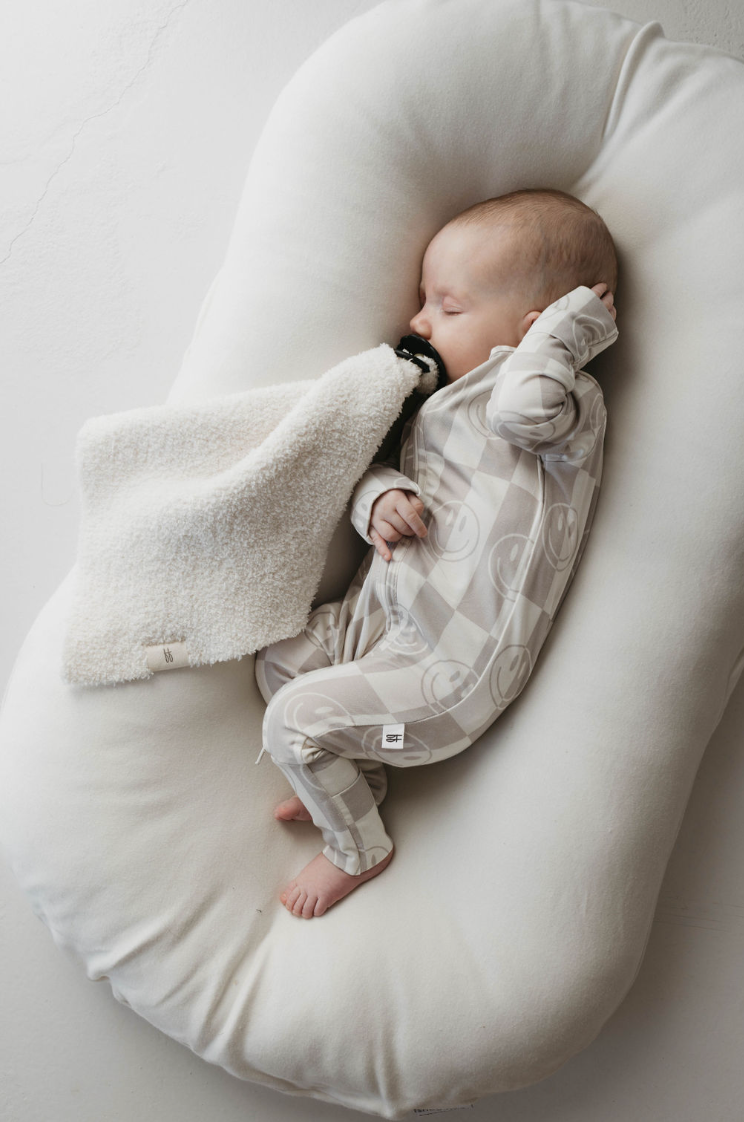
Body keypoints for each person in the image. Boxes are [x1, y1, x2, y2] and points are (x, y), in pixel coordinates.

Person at [254, 187, 619, 919]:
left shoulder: (562, 406)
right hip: (383, 626)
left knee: (293, 720)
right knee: (280, 660)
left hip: (445, 675)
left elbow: (525, 405)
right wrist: (378, 499)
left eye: (447, 307)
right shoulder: (444, 407)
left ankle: (359, 847)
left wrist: (569, 331)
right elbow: (399, 484)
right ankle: (356, 767)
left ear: (537, 327)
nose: (419, 321)